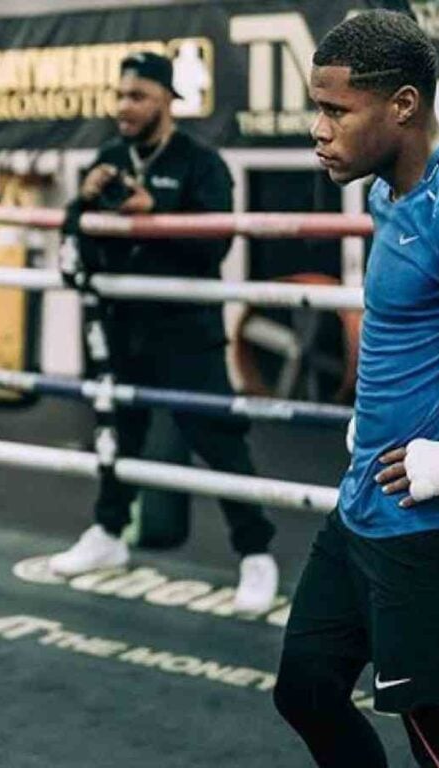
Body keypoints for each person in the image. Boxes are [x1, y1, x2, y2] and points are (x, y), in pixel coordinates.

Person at [274, 11, 439, 768]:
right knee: (306, 688)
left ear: (402, 105)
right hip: (366, 503)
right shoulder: (386, 191)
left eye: (336, 110)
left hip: (435, 526)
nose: (319, 129)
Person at [48, 51, 278, 613]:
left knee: (217, 439)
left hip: (185, 332)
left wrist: (155, 215)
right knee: (118, 437)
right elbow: (74, 248)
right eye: (120, 95)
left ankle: (256, 555)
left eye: (137, 97)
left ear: (166, 102)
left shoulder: (201, 164)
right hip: (123, 328)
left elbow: (216, 246)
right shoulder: (106, 159)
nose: (124, 107)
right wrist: (80, 205)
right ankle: (107, 536)